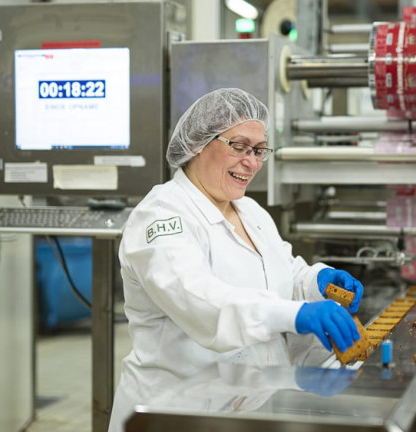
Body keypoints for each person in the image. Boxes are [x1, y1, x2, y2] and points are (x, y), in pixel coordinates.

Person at [108, 88, 364, 432]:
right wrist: (296, 313)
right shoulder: (160, 217)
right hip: (174, 411)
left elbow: (283, 272)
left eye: (259, 151)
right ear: (199, 143)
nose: (253, 162)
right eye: (240, 146)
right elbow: (200, 301)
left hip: (248, 404)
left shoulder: (250, 211)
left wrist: (316, 281)